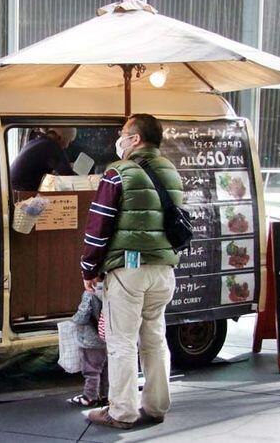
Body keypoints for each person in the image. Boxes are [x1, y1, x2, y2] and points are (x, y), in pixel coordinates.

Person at [80, 114, 182, 429]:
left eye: (124, 133)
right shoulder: (171, 172)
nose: (120, 138)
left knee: (122, 340)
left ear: (135, 138)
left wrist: (89, 268)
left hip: (128, 271)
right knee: (154, 337)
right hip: (163, 270)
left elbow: (99, 226)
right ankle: (156, 406)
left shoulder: (118, 173)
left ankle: (121, 412)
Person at [68, 284, 108, 408]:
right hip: (105, 337)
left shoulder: (90, 293)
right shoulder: (109, 290)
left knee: (91, 370)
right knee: (105, 369)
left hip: (89, 339)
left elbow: (83, 315)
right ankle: (106, 395)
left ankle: (89, 397)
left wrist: (73, 320)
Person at [10, 127, 77, 191]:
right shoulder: (52, 146)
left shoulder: (34, 142)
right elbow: (69, 177)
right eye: (69, 141)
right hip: (22, 193)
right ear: (61, 137)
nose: (67, 146)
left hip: (13, 189)